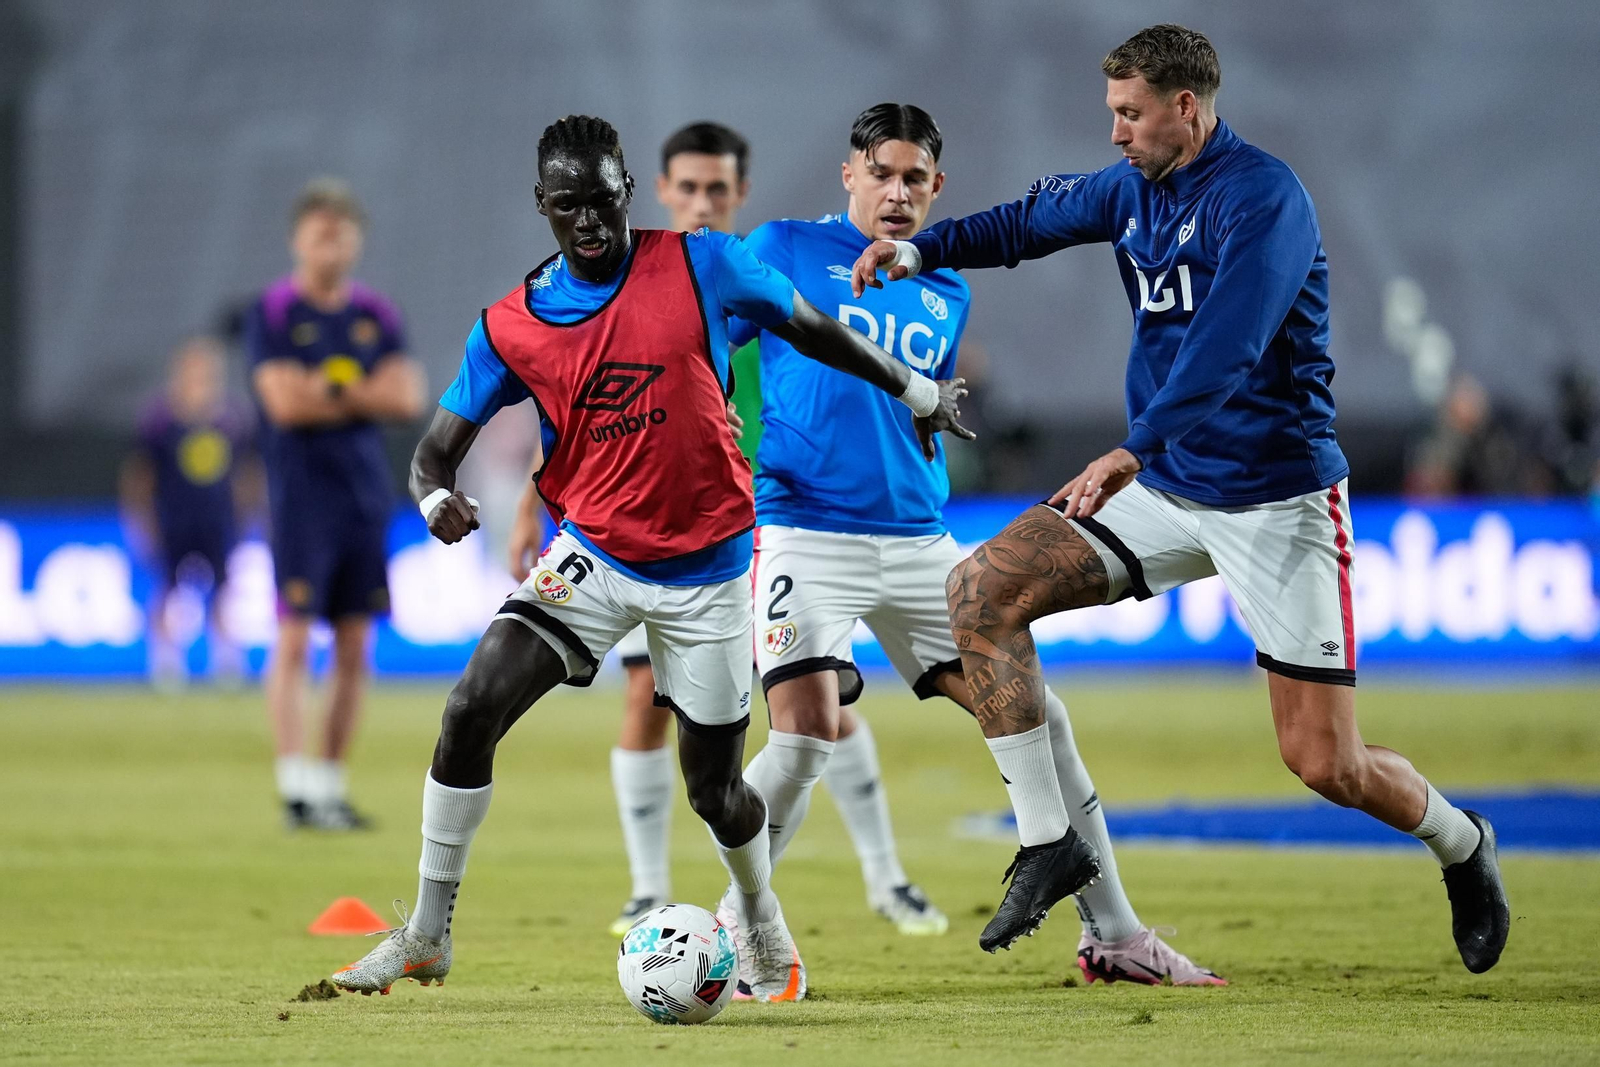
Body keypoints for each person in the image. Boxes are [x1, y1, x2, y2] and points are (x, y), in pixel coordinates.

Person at [851, 24, 1511, 973]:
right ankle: (1049, 839)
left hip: (1275, 500)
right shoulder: (1130, 190)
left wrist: (1130, 449)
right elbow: (1024, 226)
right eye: (1111, 112)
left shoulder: (1265, 200)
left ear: (1185, 108)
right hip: (1167, 485)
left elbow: (1227, 351)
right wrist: (922, 253)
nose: (1115, 132)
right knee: (978, 593)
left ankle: (1462, 840)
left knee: (1326, 763)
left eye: (1129, 113)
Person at [329, 115, 969, 1002]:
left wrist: (915, 387)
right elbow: (433, 452)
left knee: (716, 793)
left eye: (601, 200)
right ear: (542, 206)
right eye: (568, 207)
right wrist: (438, 498)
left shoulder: (704, 263)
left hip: (710, 573)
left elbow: (813, 326)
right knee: (470, 707)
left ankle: (757, 911)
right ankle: (427, 933)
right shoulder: (512, 326)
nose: (589, 222)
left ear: (626, 190)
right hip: (593, 555)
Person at [726, 102, 1218, 986]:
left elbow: (912, 415)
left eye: (916, 178)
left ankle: (1116, 934)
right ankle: (738, 926)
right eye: (882, 172)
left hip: (919, 541)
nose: (898, 192)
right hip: (803, 531)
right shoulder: (781, 247)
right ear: (850, 174)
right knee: (804, 739)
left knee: (1041, 715)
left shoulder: (945, 285)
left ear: (938, 187)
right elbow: (716, 347)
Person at [246, 179, 426, 830]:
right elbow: (282, 403)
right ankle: (295, 784)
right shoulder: (272, 311)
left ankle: (328, 784)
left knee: (355, 644)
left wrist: (327, 387)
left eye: (343, 231)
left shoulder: (375, 312)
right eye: (322, 231)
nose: (333, 242)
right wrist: (359, 389)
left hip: (362, 494)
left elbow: (407, 397)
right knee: (293, 634)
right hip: (300, 497)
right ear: (299, 238)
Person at [121, 336, 257, 689]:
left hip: (217, 519)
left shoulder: (231, 418)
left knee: (223, 589)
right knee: (167, 588)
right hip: (175, 519)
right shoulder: (160, 420)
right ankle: (165, 661)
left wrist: (249, 516)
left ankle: (226, 659)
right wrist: (140, 521)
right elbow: (141, 475)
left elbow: (245, 473)